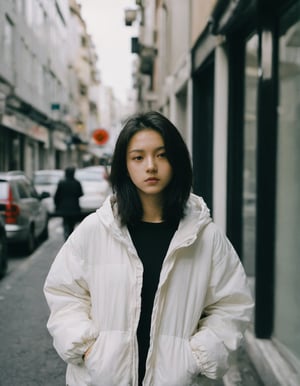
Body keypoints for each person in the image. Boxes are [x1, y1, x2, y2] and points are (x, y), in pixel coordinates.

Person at [44, 111, 254, 386]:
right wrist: (88, 348)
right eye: (138, 157)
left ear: (176, 161)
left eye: (162, 155)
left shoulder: (204, 237)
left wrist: (197, 357)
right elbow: (65, 294)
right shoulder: (95, 230)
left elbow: (232, 304)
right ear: (125, 165)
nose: (151, 166)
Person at [54, 166, 83, 240]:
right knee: (72, 224)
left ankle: (66, 237)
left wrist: (57, 206)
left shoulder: (61, 183)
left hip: (64, 208)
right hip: (74, 207)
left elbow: (56, 196)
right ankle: (70, 237)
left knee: (65, 223)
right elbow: (80, 194)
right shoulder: (77, 183)